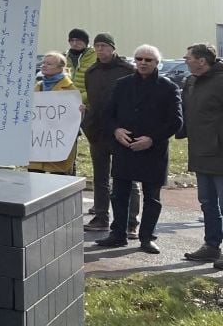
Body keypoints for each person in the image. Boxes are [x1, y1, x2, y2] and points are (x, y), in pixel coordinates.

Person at [94, 45, 183, 254]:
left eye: (148, 60)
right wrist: (116, 130)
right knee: (119, 194)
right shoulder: (122, 85)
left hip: (153, 149)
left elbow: (176, 121)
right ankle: (118, 234)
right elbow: (107, 115)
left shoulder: (168, 87)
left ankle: (147, 237)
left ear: (156, 63)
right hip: (124, 147)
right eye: (139, 59)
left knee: (152, 197)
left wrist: (152, 139)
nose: (143, 63)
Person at [82, 33, 139, 235]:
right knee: (100, 178)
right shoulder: (91, 72)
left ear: (113, 48)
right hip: (97, 133)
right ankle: (101, 217)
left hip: (122, 133)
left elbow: (136, 103)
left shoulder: (128, 70)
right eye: (97, 46)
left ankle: (131, 222)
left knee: (128, 178)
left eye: (104, 46)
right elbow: (93, 101)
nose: (100, 50)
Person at [180, 43, 223, 265]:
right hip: (199, 151)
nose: (185, 60)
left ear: (202, 60)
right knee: (207, 202)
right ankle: (212, 246)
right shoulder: (191, 81)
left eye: (188, 57)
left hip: (219, 153)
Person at [27, 52, 79, 174]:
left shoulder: (70, 90)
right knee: (34, 180)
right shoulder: (37, 87)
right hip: (38, 144)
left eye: (49, 64)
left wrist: (81, 112)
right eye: (43, 63)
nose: (44, 66)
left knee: (58, 180)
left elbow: (74, 119)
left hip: (57, 144)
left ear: (60, 68)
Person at [65, 28, 96, 106]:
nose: (75, 43)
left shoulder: (96, 57)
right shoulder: (63, 57)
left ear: (85, 42)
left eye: (78, 40)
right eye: (72, 40)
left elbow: (98, 84)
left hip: (88, 105)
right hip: (65, 105)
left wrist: (79, 99)